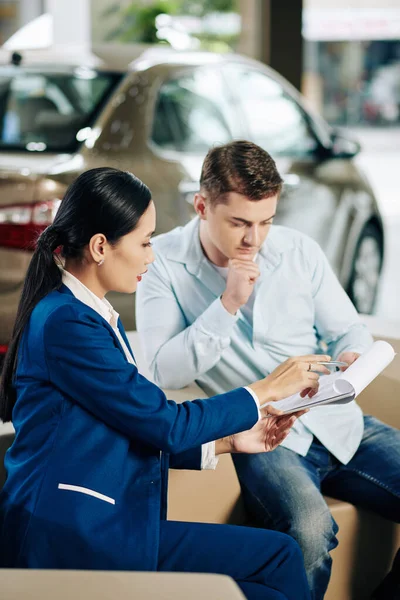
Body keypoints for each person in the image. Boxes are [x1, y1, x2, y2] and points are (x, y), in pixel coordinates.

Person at [0, 167, 328, 600]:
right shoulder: (67, 323)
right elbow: (164, 423)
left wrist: (230, 442)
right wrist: (266, 388)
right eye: (145, 241)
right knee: (273, 573)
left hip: (115, 525)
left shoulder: (89, 314)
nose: (151, 257)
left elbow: (130, 424)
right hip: (74, 535)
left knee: (280, 557)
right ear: (101, 247)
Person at [135, 141, 400, 600]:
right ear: (202, 206)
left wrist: (354, 355)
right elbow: (162, 370)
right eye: (239, 223)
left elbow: (347, 330)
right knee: (311, 531)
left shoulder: (299, 251)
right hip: (265, 435)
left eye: (264, 223)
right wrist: (227, 304)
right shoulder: (160, 265)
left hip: (339, 423)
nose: (253, 239)